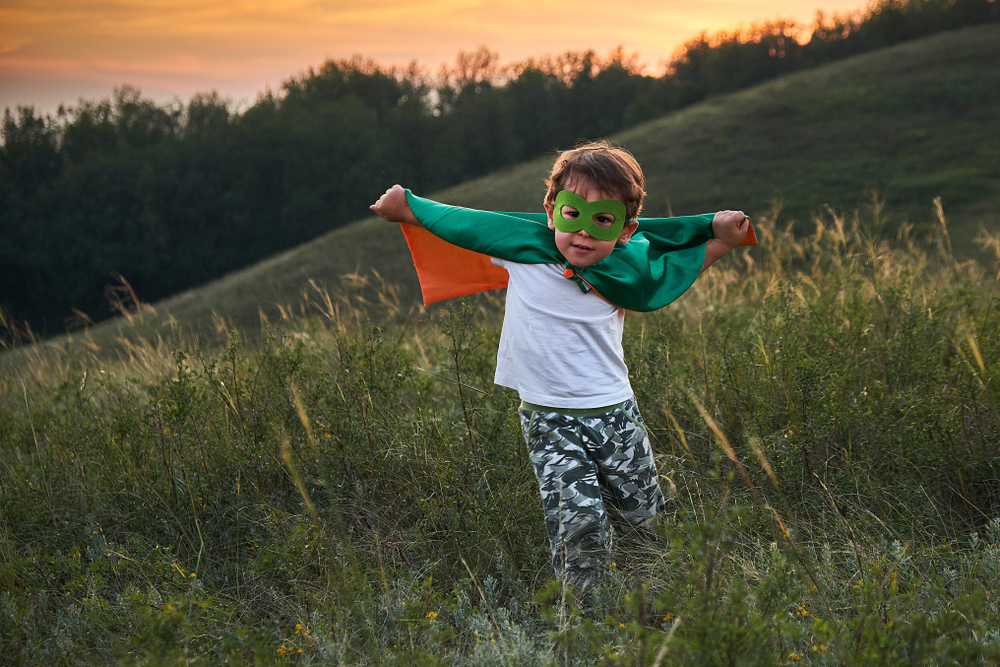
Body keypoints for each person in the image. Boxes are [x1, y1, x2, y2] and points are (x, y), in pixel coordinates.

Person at [370, 140, 751, 590]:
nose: (584, 233)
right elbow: (464, 224)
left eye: (602, 221)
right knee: (579, 524)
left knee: (644, 517)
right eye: (573, 215)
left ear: (625, 230)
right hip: (549, 420)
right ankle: (586, 626)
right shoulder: (519, 248)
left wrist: (721, 236)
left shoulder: (626, 268)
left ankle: (662, 601)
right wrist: (408, 207)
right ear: (551, 211)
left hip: (615, 415)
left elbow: (677, 263)